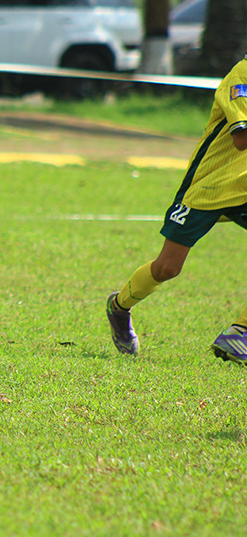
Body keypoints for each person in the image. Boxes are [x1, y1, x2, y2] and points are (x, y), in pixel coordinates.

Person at [106, 56, 247, 364]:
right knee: (167, 268)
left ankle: (239, 332)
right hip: (209, 187)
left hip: (244, 187)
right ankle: (119, 307)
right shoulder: (241, 75)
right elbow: (241, 138)